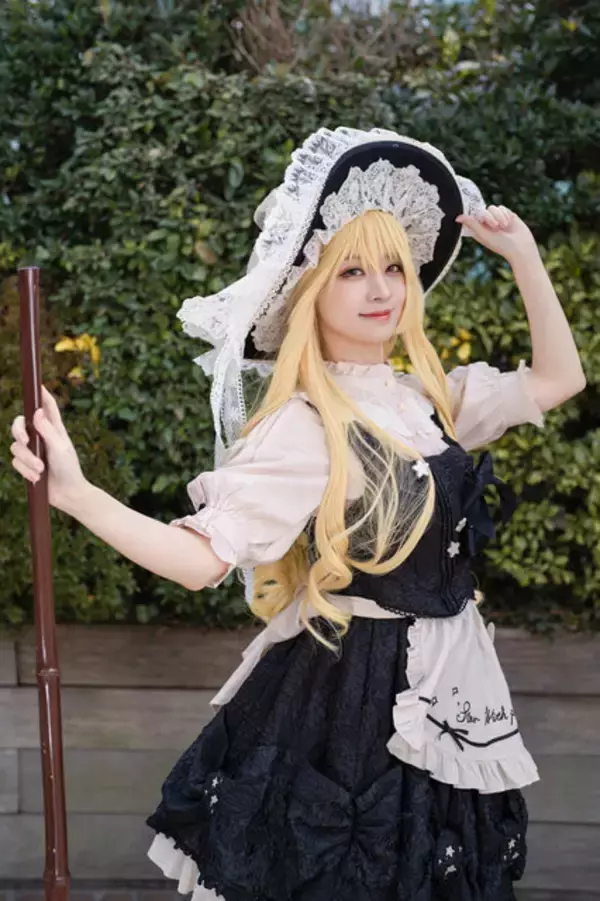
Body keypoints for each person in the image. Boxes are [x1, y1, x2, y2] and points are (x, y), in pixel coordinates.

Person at [10, 127, 586, 900]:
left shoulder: (427, 399)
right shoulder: (306, 423)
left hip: (455, 692)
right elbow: (202, 561)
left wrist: (524, 258)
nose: (381, 289)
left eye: (394, 267)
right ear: (310, 289)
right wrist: (79, 495)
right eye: (352, 270)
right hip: (351, 709)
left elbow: (558, 379)